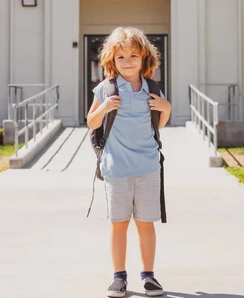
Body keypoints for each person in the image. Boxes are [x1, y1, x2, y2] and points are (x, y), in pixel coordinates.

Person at [87, 27, 172, 297]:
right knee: (119, 223)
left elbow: (158, 125)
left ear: (145, 58)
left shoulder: (152, 89)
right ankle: (118, 277)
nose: (128, 61)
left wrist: (167, 109)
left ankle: (149, 276)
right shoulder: (105, 89)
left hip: (148, 168)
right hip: (117, 168)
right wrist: (103, 108)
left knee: (146, 223)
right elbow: (91, 122)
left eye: (134, 55)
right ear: (112, 60)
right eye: (121, 57)